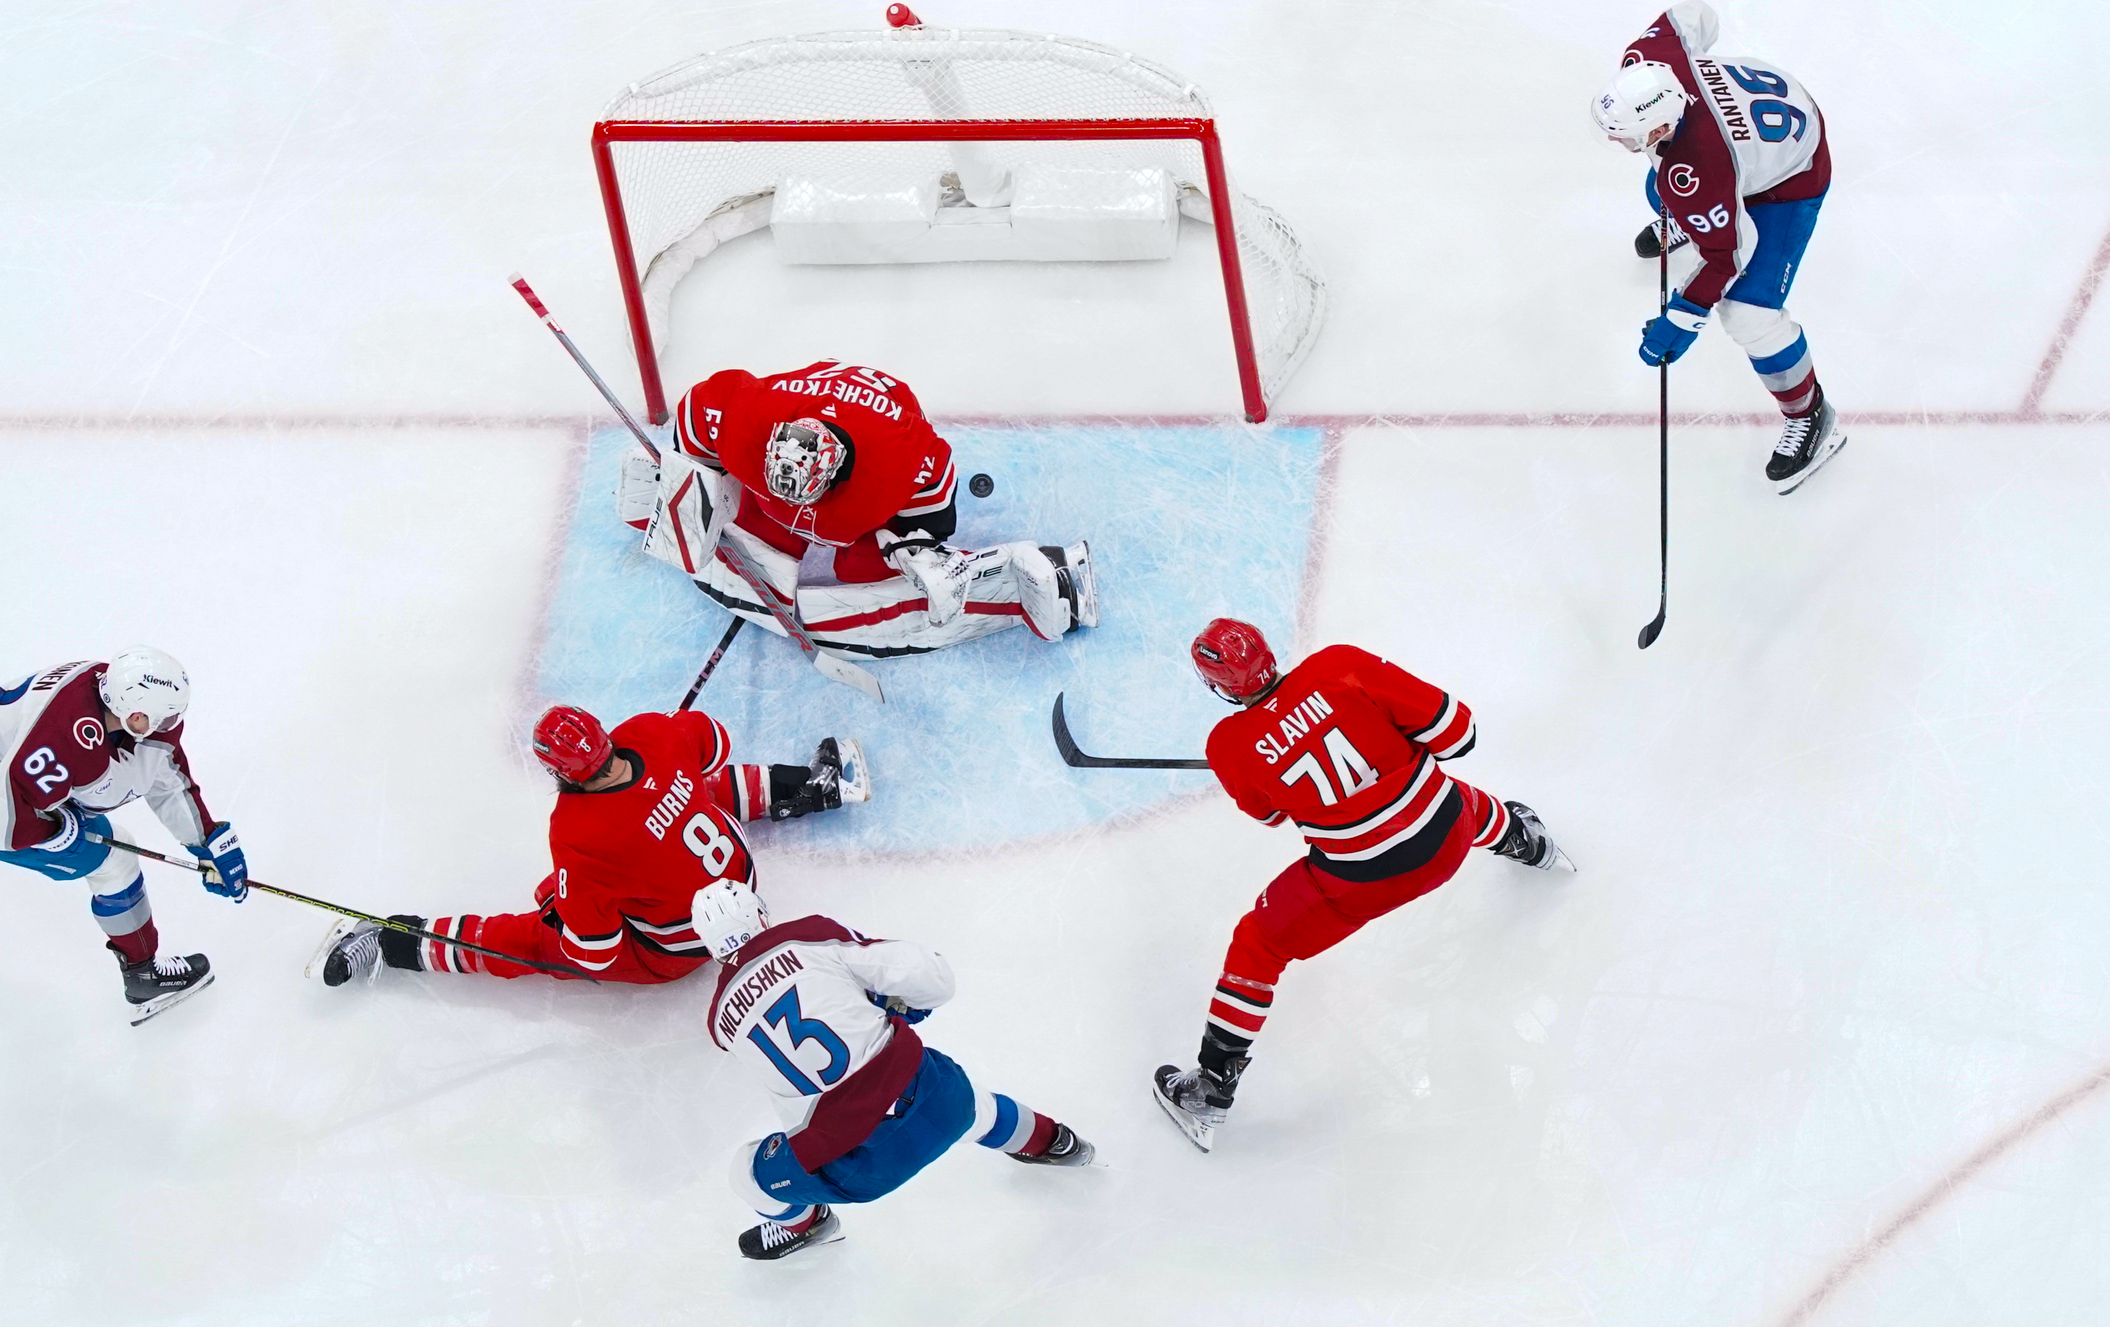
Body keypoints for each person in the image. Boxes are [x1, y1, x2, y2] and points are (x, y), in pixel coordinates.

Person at [1152, 621, 1567, 1151]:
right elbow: (1459, 734)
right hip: (1449, 836)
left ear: (1218, 686)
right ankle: (1526, 842)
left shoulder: (1227, 745)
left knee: (1258, 943)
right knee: (1444, 796)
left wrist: (1266, 753)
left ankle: (1212, 1086)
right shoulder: (1339, 665)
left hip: (1361, 881)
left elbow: (1271, 815)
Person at [308, 705, 866, 987]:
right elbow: (716, 742)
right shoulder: (651, 732)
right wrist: (667, 760)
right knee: (700, 786)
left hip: (683, 951)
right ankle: (815, 786)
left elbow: (592, 953)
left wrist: (564, 904)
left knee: (535, 938)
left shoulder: (579, 836)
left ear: (558, 772)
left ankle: (394, 941)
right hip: (743, 881)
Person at [694, 880, 1092, 1262]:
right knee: (972, 1108)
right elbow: (934, 978)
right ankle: (1054, 1142)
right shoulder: (806, 935)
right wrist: (897, 1004)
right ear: (759, 915)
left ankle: (807, 1224)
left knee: (744, 1174)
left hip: (859, 1167)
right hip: (938, 1099)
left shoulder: (719, 1024)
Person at [0, 648, 237, 1022]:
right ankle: (144, 976)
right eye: (163, 719)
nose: (171, 727)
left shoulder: (108, 686)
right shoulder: (71, 736)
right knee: (116, 861)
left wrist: (208, 840)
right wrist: (55, 833)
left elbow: (163, 771)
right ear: (133, 714)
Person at [616, 360, 1096, 656]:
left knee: (861, 570)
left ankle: (1022, 574)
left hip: (875, 430)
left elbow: (937, 502)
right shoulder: (746, 419)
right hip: (808, 424)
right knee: (765, 533)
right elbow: (697, 413)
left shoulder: (897, 461)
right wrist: (695, 479)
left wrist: (913, 545)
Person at [1592, 0, 1844, 491]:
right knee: (1664, 189)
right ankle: (1702, 220)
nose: (1616, 143)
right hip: (1757, 134)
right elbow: (1695, 15)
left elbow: (1728, 256)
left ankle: (1812, 414)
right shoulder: (1647, 57)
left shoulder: (1697, 169)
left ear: (1661, 127)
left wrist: (1683, 316)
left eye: (1626, 136)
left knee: (1749, 315)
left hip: (1791, 176)